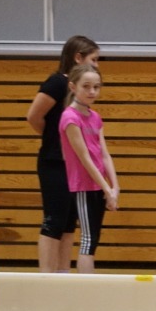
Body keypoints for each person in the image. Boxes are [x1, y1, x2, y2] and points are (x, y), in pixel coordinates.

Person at [26, 35, 100, 273]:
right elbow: (33, 116)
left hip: (72, 165)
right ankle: (47, 276)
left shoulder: (80, 91)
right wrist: (55, 140)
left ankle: (62, 274)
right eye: (93, 59)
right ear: (78, 58)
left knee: (68, 223)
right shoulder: (57, 83)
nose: (96, 65)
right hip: (54, 162)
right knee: (54, 220)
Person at [58, 64, 120, 274]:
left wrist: (115, 187)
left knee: (93, 239)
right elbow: (84, 157)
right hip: (84, 185)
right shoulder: (70, 118)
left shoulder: (95, 117)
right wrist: (107, 189)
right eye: (86, 86)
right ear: (73, 87)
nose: (92, 91)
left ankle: (88, 283)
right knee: (88, 240)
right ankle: (87, 285)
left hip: (98, 185)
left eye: (96, 87)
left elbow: (104, 154)